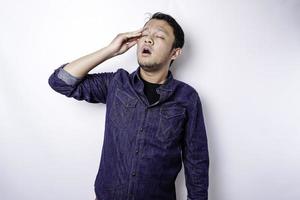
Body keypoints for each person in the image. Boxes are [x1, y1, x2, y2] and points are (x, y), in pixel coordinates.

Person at [48, 12, 209, 200]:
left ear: (175, 52)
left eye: (159, 36)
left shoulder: (187, 97)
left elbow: (196, 161)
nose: (148, 39)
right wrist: (110, 50)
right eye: (145, 34)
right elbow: (60, 82)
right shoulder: (116, 83)